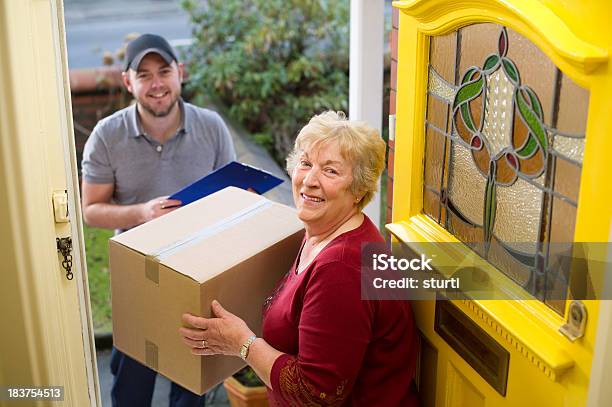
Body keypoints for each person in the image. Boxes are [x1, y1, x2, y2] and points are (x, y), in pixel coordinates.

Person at [179, 111, 420, 406]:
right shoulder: (323, 232)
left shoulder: (341, 269)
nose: (309, 180)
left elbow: (315, 392)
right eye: (306, 163)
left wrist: (242, 344)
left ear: (358, 190)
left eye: (330, 171)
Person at [81, 33, 236, 406]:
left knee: (192, 383)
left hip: (199, 270)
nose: (156, 84)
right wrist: (141, 213)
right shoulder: (107, 136)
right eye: (144, 74)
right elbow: (90, 210)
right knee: (132, 384)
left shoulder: (211, 127)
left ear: (179, 73)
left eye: (164, 71)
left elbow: (235, 198)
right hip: (139, 275)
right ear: (127, 82)